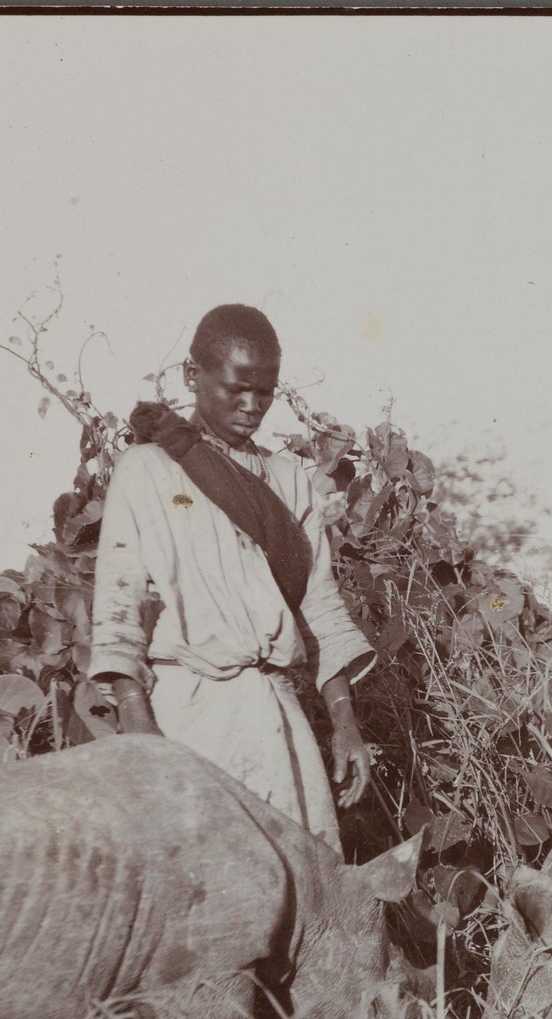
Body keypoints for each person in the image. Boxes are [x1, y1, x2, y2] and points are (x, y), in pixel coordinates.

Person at [88, 304, 375, 850]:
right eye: (236, 389)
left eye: (264, 392)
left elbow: (319, 606)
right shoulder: (147, 471)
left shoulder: (289, 480)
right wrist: (141, 732)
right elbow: (120, 605)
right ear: (192, 376)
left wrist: (345, 722)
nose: (251, 406)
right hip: (185, 719)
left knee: (307, 880)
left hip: (277, 719)